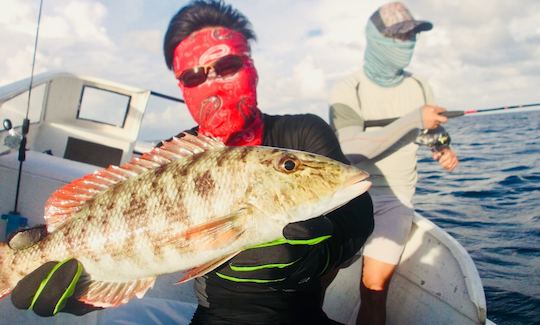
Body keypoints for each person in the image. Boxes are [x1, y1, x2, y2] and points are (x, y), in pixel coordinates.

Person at [10, 1, 374, 324]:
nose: (213, 84)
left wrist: (323, 251)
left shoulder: (301, 132)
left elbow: (357, 210)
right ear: (181, 85)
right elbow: (132, 250)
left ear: (252, 67)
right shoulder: (175, 152)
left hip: (299, 314)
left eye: (228, 64)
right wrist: (81, 292)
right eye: (194, 75)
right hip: (213, 315)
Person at [328, 2, 458, 325]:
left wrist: (442, 149)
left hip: (394, 200)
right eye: (399, 36)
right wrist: (413, 118)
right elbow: (351, 149)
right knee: (318, 277)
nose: (407, 44)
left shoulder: (419, 87)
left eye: (412, 35)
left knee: (374, 287)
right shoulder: (348, 89)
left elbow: (430, 133)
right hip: (348, 194)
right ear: (376, 39)